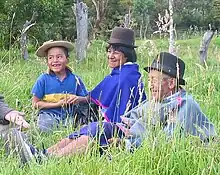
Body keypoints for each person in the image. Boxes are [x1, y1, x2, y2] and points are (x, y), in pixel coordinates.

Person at [9, 27, 147, 163]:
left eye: (116, 52)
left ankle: (49, 159)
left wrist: (109, 121)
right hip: (108, 123)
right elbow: (98, 95)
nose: (110, 56)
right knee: (86, 129)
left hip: (122, 126)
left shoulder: (127, 76)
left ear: (126, 53)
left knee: (95, 130)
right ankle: (43, 153)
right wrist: (80, 99)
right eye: (109, 51)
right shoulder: (120, 72)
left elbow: (122, 109)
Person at [32, 40, 88, 132]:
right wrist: (57, 104)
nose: (55, 61)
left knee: (79, 128)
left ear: (67, 59)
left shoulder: (75, 79)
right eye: (50, 58)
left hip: (69, 116)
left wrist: (77, 99)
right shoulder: (43, 79)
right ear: (47, 61)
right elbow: (35, 104)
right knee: (44, 127)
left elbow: (87, 98)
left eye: (59, 57)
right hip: (47, 115)